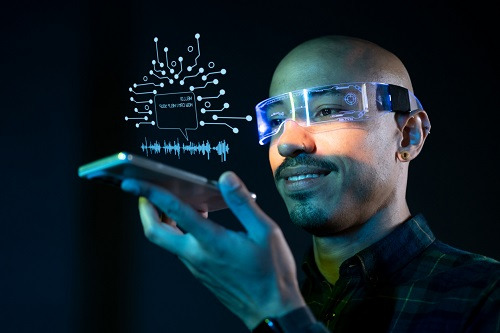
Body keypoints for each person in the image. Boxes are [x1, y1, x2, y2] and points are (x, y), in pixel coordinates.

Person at [120, 35, 500, 332]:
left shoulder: (485, 296)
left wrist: (275, 315)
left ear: (408, 136)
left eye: (329, 110)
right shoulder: (291, 297)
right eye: (277, 121)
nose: (288, 142)